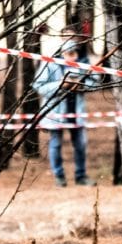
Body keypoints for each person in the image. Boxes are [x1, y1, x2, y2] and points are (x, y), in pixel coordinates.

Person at [33, 41, 99, 187]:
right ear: (62, 53)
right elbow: (38, 86)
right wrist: (60, 85)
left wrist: (81, 85)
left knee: (81, 145)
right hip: (55, 113)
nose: (73, 57)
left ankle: (81, 176)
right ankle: (59, 177)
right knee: (55, 145)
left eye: (75, 53)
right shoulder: (50, 64)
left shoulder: (83, 65)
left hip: (77, 112)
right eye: (69, 54)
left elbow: (95, 83)